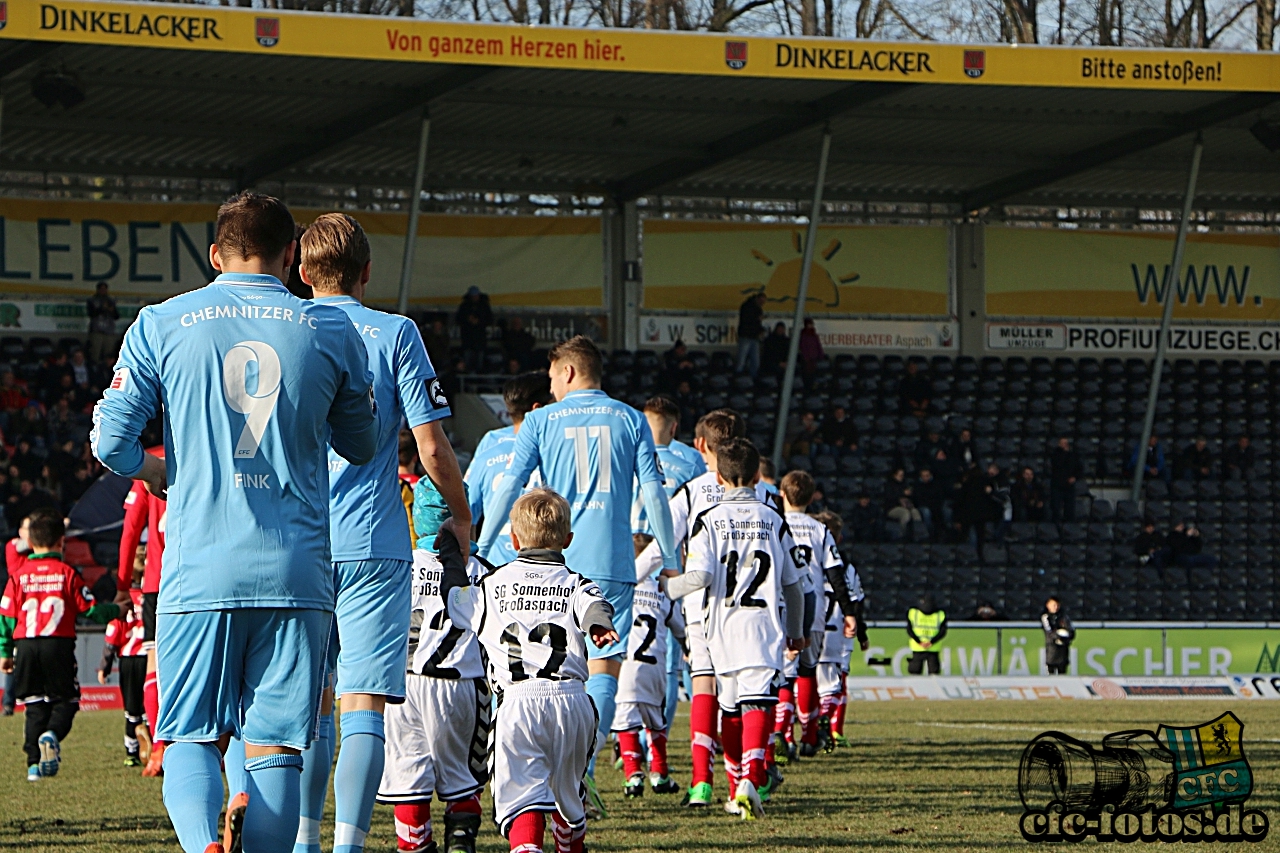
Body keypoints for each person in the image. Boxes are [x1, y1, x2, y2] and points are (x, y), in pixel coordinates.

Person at [91, 191, 379, 853]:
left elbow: (109, 442)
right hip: (296, 571)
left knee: (190, 734)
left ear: (215, 254)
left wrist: (159, 473)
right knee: (276, 747)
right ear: (289, 259)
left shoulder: (163, 321)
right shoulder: (331, 330)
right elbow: (362, 446)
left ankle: (203, 844)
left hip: (199, 569)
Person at [287, 212, 469, 853]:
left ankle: (305, 840)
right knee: (363, 702)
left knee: (310, 705)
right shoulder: (396, 333)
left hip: (299, 542)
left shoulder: (288, 328)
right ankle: (348, 845)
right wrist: (462, 512)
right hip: (372, 542)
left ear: (302, 273)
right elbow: (431, 446)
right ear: (367, 272)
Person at [475, 335, 678, 814]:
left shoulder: (543, 419)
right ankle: (581, 772)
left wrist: (483, 546)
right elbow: (652, 494)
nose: (550, 384)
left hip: (553, 563)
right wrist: (670, 558)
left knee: (539, 668)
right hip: (611, 563)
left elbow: (508, 487)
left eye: (551, 376)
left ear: (567, 372)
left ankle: (534, 769)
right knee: (605, 669)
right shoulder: (630, 418)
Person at [439, 488, 619, 853]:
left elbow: (456, 598)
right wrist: (598, 626)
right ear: (568, 540)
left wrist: (450, 558)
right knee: (568, 791)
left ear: (513, 538)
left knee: (522, 794)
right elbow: (595, 606)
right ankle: (570, 842)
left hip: (518, 703)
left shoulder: (492, 585)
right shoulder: (575, 582)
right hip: (572, 701)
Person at [636, 410, 775, 809]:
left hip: (701, 605)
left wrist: (631, 579)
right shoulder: (764, 493)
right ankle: (750, 776)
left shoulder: (695, 490)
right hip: (755, 611)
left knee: (705, 686)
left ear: (701, 446)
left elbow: (664, 542)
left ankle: (701, 782)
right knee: (747, 695)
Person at [664, 438, 808, 819]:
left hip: (720, 628)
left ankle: (734, 788)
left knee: (729, 709)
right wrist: (796, 631)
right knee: (758, 702)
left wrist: (667, 586)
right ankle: (752, 778)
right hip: (762, 625)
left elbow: (700, 576)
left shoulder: (708, 518)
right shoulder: (773, 517)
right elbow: (794, 584)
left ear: (718, 476)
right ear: (758, 475)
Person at [377, 478, 492, 853]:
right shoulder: (483, 572)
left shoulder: (395, 567)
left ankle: (415, 845)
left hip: (401, 686)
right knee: (461, 777)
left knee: (408, 776)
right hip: (460, 682)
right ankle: (460, 842)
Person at [0, 509, 120, 780]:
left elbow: (6, 616)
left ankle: (33, 765)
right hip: (58, 644)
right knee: (67, 700)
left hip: (26, 645)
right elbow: (88, 610)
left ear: (30, 543)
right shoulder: (67, 572)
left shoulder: (18, 575)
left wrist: (5, 652)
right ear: (61, 542)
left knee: (33, 705)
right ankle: (52, 734)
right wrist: (115, 610)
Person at [634, 395, 705, 736]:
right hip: (667, 565)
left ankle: (624, 737)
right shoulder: (691, 460)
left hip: (626, 559)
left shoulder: (627, 449)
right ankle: (654, 741)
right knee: (669, 661)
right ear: (675, 427)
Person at [779, 471, 859, 759]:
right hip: (813, 613)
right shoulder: (819, 530)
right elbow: (835, 575)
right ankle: (809, 737)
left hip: (781, 608)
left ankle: (782, 735)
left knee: (784, 678)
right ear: (813, 498)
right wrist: (849, 613)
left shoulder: (776, 524)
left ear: (782, 494)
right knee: (807, 673)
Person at [615, 532, 685, 798]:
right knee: (655, 723)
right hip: (655, 665)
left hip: (627, 664)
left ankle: (633, 776)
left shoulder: (621, 590)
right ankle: (659, 772)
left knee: (626, 722)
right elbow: (679, 628)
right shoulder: (661, 593)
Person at [464, 372, 553, 567]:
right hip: (546, 570)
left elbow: (467, 510)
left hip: (494, 569)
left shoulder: (490, 443)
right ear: (537, 408)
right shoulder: (555, 445)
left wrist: (474, 562)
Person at [116, 447, 167, 777]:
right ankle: (214, 746)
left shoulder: (149, 459)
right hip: (205, 577)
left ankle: (160, 747)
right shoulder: (213, 440)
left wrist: (122, 582)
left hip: (158, 582)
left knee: (155, 668)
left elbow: (131, 529)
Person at [811, 509, 865, 749]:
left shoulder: (804, 562)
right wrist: (861, 631)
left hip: (807, 626)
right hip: (836, 628)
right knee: (835, 683)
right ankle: (829, 723)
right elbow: (855, 601)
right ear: (839, 539)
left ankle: (791, 733)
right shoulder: (846, 567)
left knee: (799, 680)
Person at [98, 554, 147, 767]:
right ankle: (155, 747)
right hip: (151, 658)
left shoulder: (123, 601)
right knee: (151, 705)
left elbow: (113, 634)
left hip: (128, 659)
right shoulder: (155, 598)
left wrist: (104, 666)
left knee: (131, 708)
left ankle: (132, 752)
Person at [905, 594, 946, 675]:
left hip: (918, 647)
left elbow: (909, 630)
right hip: (933, 648)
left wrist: (919, 642)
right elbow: (942, 632)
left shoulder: (913, 613)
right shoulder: (940, 615)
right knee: (934, 673)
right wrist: (931, 642)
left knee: (915, 672)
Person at [456, 286, 493, 373]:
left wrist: (479, 321)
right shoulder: (464, 306)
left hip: (479, 339)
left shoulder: (484, 306)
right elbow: (458, 319)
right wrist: (467, 320)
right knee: (467, 362)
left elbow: (490, 319)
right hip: (468, 339)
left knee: (479, 363)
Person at [1048, 437, 1082, 522]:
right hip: (1057, 484)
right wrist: (1064, 453)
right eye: (1062, 443)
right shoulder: (1055, 455)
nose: (1065, 444)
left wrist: (1075, 477)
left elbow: (1079, 468)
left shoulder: (1073, 455)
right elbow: (1057, 465)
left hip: (1069, 485)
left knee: (1070, 509)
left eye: (1066, 443)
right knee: (1056, 508)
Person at [86, 281, 121, 365]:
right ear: (97, 290)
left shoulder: (111, 300)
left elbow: (117, 316)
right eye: (101, 289)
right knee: (95, 354)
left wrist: (111, 310)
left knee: (109, 354)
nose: (103, 291)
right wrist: (102, 308)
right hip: (97, 331)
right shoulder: (92, 300)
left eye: (105, 289)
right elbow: (91, 314)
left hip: (108, 331)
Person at [1040, 596, 1074, 674]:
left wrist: (1066, 639)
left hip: (1063, 651)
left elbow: (1071, 631)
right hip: (1052, 651)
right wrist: (1058, 636)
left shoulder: (1064, 617)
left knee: (1062, 675)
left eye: (1057, 605)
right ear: (1048, 605)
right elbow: (1049, 632)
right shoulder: (1046, 617)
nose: (1056, 607)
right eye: (1054, 605)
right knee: (1050, 675)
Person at [735, 293, 767, 376]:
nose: (762, 304)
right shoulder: (747, 306)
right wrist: (757, 320)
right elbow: (746, 321)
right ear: (757, 298)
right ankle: (738, 378)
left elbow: (757, 324)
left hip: (754, 337)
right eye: (761, 301)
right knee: (741, 360)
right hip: (746, 336)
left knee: (755, 362)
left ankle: (753, 379)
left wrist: (761, 330)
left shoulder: (757, 309)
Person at [884, 468, 922, 537]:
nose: (902, 477)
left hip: (907, 506)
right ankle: (903, 534)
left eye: (902, 475)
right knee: (905, 513)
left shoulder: (905, 484)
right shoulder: (889, 485)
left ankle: (918, 534)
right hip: (892, 508)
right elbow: (889, 497)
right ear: (895, 475)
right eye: (900, 475)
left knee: (915, 512)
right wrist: (902, 493)